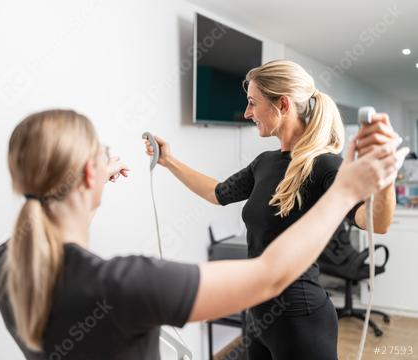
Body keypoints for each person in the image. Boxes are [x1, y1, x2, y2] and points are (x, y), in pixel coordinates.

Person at [0, 108, 407, 360]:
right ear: (87, 174)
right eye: (104, 154)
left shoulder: (7, 263)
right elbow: (270, 276)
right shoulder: (127, 284)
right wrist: (348, 190)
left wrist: (98, 180)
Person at [143, 60, 402, 359]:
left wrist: (386, 177)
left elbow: (375, 223)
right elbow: (217, 193)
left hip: (301, 318)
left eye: (253, 103)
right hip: (258, 315)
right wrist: (168, 160)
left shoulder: (325, 165)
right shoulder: (264, 162)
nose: (248, 113)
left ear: (282, 104)